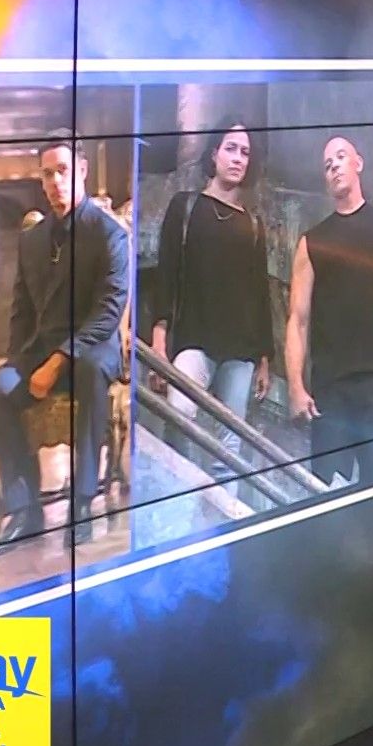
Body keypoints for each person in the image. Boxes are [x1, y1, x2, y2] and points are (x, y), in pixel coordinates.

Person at [0, 134, 129, 552]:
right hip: (40, 350)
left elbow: (108, 310)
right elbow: (21, 311)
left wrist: (59, 360)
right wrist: (17, 362)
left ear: (82, 170)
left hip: (91, 349)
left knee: (89, 372)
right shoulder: (32, 239)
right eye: (47, 174)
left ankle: (82, 502)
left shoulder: (108, 234)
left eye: (62, 171)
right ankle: (24, 510)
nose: (55, 182)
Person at [286, 135, 373, 486]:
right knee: (326, 492)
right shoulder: (312, 242)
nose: (334, 167)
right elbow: (297, 319)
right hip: (329, 389)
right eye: (327, 165)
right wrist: (295, 385)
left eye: (341, 157)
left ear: (359, 163)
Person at [149, 120, 274, 478]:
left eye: (245, 152)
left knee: (229, 447)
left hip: (240, 349)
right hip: (194, 339)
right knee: (179, 416)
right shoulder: (185, 207)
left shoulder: (253, 224)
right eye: (231, 148)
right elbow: (166, 275)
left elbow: (259, 294)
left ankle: (224, 511)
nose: (238, 158)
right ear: (215, 153)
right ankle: (180, 502)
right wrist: (159, 342)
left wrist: (265, 358)